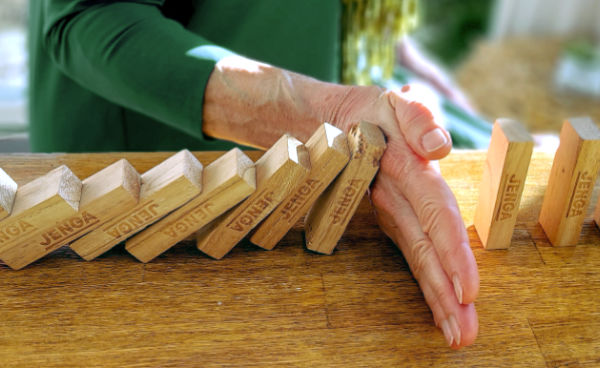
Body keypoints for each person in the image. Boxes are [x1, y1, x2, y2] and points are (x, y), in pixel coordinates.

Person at [29, 0, 479, 348]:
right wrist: (336, 116)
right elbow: (94, 18)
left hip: (312, 118)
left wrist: (397, 70)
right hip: (147, 140)